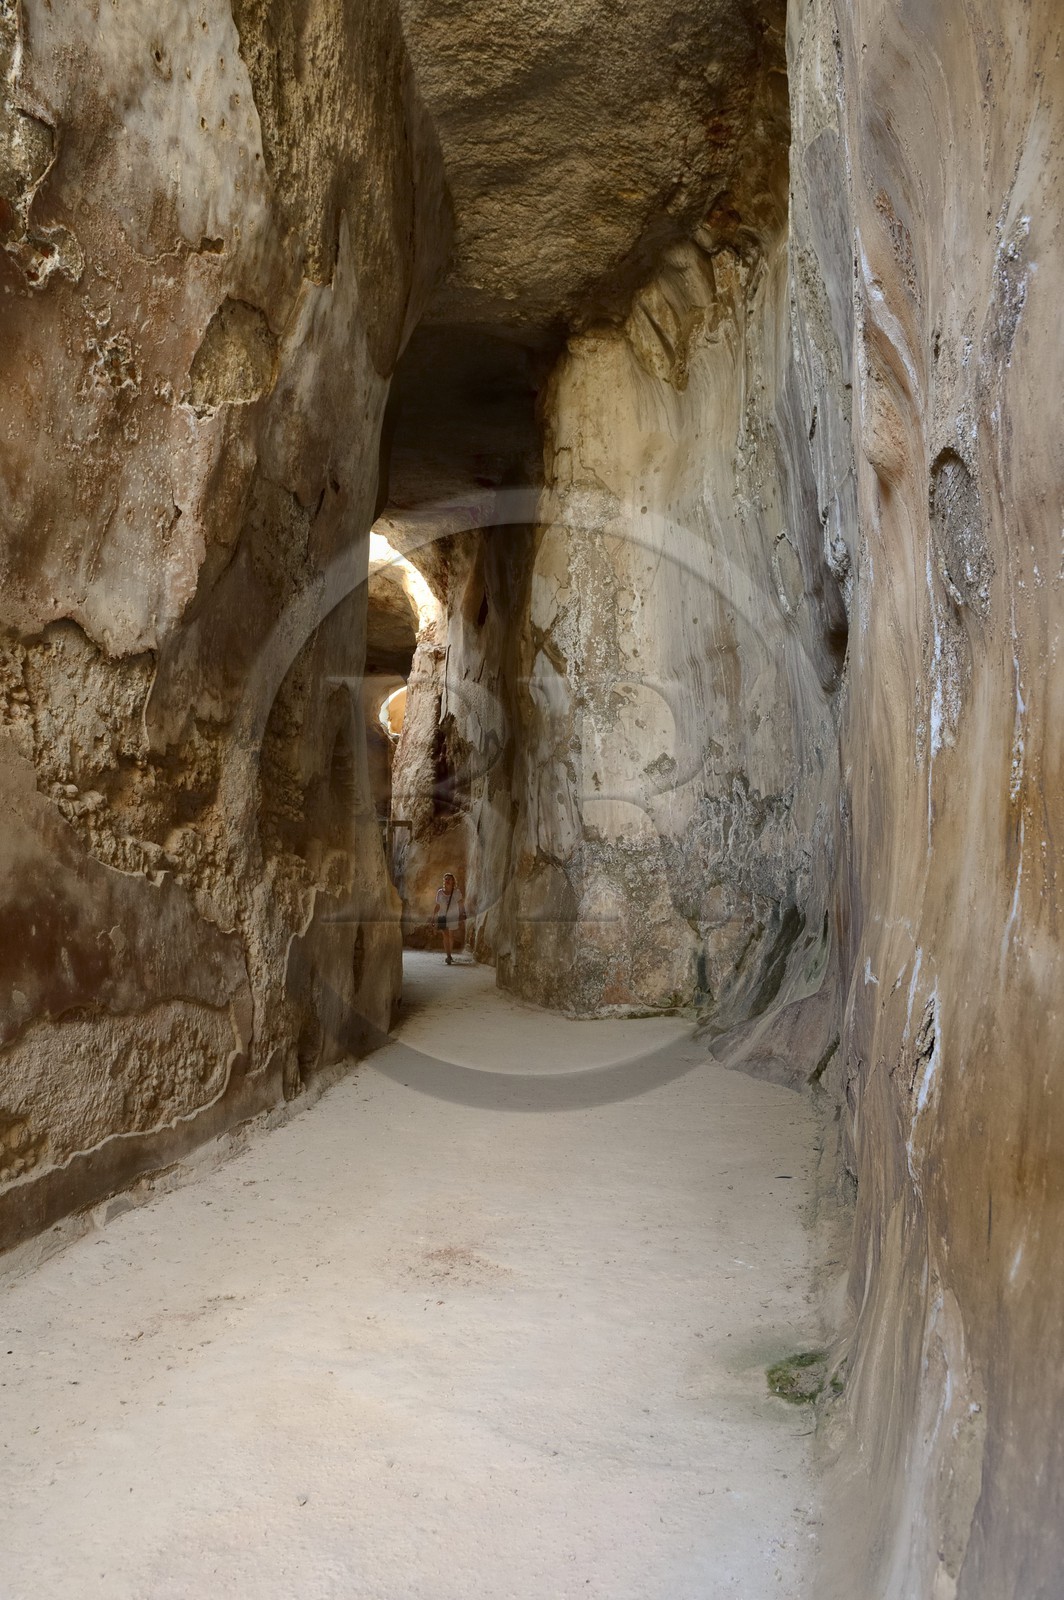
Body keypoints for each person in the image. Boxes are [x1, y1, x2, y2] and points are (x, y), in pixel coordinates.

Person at [431, 871, 466, 965]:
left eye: (449, 879)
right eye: (445, 879)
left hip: (453, 916)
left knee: (451, 935)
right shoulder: (440, 892)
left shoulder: (456, 892)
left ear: (453, 881)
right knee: (445, 935)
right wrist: (433, 916)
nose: (447, 880)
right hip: (442, 916)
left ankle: (449, 953)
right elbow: (437, 905)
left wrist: (463, 914)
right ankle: (448, 955)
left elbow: (461, 904)